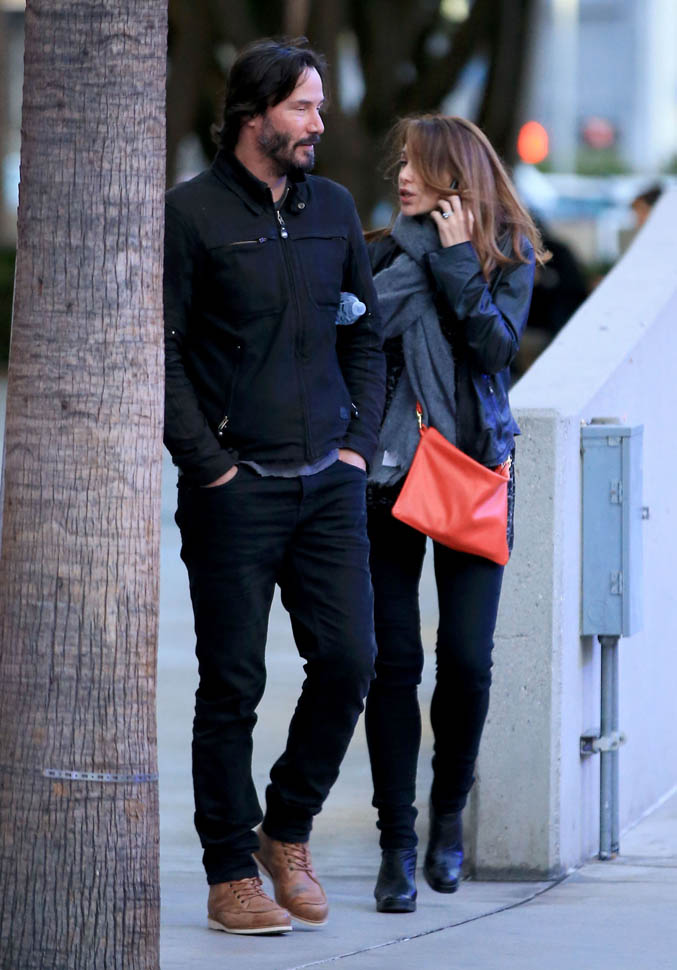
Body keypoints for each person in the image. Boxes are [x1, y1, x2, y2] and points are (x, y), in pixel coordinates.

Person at [163, 38, 385, 936]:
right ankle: (229, 873)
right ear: (253, 115)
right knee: (232, 684)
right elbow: (162, 351)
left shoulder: (333, 208)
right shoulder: (191, 214)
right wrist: (206, 464)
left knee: (350, 661)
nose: (318, 123)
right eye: (302, 107)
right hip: (235, 489)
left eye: (318, 106)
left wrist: (357, 448)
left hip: (328, 483)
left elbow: (362, 336)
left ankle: (285, 830)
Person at [364, 115, 547, 913]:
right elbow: (355, 338)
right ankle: (396, 845)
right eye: (401, 163)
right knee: (392, 665)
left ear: (455, 175)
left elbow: (494, 350)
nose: (402, 175)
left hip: (469, 471)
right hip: (386, 476)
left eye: (417, 164)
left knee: (467, 661)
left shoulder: (508, 253)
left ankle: (446, 819)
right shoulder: (378, 254)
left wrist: (453, 263)